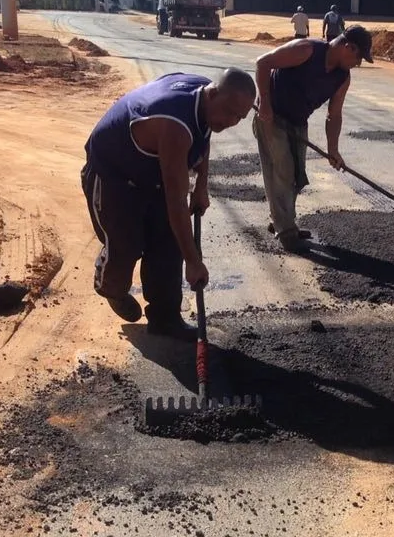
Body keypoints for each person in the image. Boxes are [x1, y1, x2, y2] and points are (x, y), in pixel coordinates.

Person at [81, 68, 256, 337]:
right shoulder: (173, 124)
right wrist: (194, 262)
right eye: (230, 111)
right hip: (113, 175)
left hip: (152, 171)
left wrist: (202, 185)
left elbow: (203, 134)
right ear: (212, 93)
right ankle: (111, 287)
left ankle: (165, 317)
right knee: (126, 244)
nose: (232, 120)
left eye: (239, 117)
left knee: (168, 242)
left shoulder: (206, 104)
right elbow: (176, 201)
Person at [253, 25, 373, 252]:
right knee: (282, 169)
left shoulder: (342, 78)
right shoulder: (307, 50)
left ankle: (280, 219)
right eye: (359, 58)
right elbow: (262, 63)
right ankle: (286, 231)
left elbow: (334, 115)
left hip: (298, 121)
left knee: (297, 175)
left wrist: (333, 150)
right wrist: (265, 102)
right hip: (272, 116)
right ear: (348, 47)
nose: (358, 64)